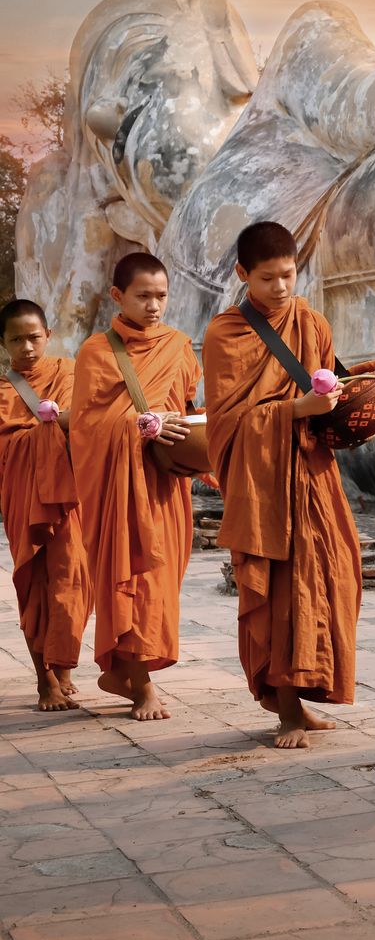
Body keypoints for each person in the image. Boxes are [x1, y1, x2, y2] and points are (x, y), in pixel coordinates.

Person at [203, 221, 375, 748]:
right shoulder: (226, 334)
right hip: (262, 485)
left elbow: (328, 381)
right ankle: (287, 711)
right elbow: (227, 420)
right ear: (243, 274)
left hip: (313, 477)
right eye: (268, 278)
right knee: (277, 594)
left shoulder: (310, 321)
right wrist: (296, 409)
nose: (281, 288)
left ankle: (307, 695)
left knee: (332, 577)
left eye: (289, 275)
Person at [71, 252, 199, 721]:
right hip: (119, 490)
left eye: (161, 296)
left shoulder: (179, 346)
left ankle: (122, 669)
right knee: (133, 577)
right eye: (143, 296)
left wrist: (181, 427)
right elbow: (85, 427)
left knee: (161, 580)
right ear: (117, 296)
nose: (153, 306)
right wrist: (138, 425)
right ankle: (141, 685)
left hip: (163, 485)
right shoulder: (96, 353)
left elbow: (186, 405)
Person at [0, 299, 93, 710]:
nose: (27, 347)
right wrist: (51, 430)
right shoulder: (3, 392)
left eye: (34, 337)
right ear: (3, 343)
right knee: (36, 584)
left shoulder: (71, 373)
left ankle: (63, 665)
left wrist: (66, 423)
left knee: (74, 581)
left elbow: (91, 421)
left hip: (72, 498)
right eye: (16, 339)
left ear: (49, 335)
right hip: (26, 501)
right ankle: (45, 682)